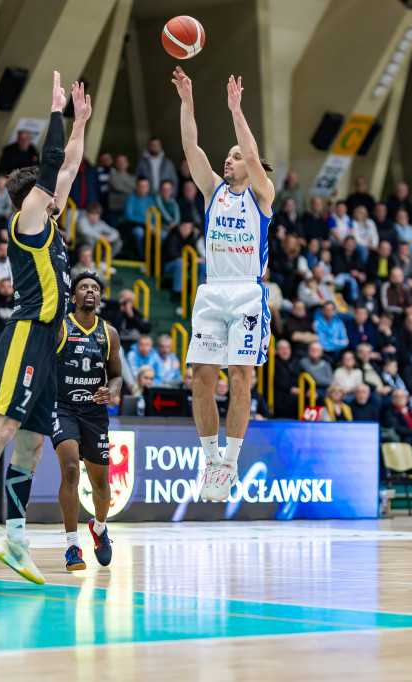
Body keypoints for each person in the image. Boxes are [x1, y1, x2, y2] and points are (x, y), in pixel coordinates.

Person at [0, 73, 87, 582]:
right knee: (3, 425)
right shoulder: (27, 221)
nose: (57, 193)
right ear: (32, 197)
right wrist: (56, 111)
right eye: (47, 191)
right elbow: (53, 163)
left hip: (51, 342)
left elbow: (68, 166)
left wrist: (81, 122)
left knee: (30, 443)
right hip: (28, 331)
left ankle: (15, 536)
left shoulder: (49, 218)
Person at [173, 66, 274, 501]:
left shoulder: (262, 194)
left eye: (234, 156)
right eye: (228, 156)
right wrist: (187, 101)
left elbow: (251, 152)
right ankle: (211, 462)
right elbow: (189, 145)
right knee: (200, 379)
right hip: (213, 290)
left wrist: (236, 111)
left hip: (247, 291)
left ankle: (231, 461)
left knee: (240, 378)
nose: (228, 159)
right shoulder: (213, 189)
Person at [44, 272, 122, 571]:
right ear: (74, 297)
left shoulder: (109, 333)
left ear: (99, 297)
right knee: (70, 469)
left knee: (101, 485)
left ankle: (99, 528)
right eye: (84, 287)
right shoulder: (60, 327)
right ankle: (72, 546)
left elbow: (116, 376)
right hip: (62, 407)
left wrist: (111, 391)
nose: (90, 290)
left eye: (95, 288)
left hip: (94, 412)